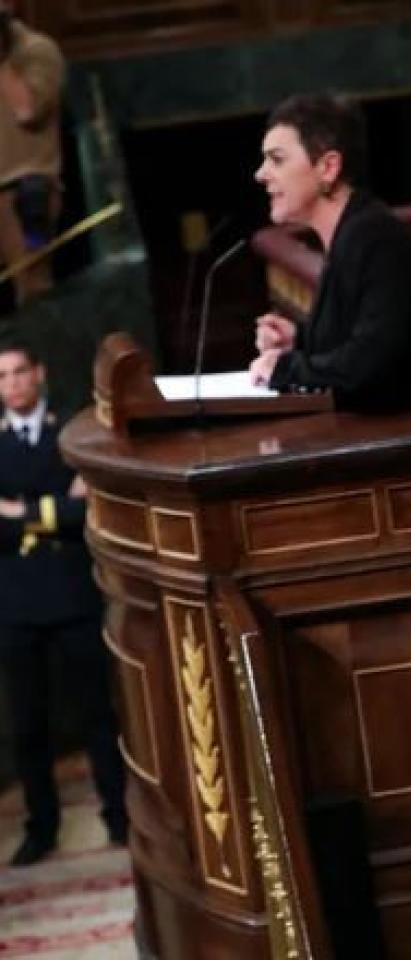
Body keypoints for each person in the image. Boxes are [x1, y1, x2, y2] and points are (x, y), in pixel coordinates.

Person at [248, 93, 411, 412]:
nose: (261, 174)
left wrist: (286, 369)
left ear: (328, 167)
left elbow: (370, 360)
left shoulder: (374, 235)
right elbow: (361, 335)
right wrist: (299, 340)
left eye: (277, 159)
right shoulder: (352, 231)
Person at [0, 343, 126, 867]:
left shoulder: (72, 433)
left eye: (19, 371)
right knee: (29, 725)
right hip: (15, 602)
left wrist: (18, 513)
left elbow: (89, 512)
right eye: (1, 376)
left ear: (39, 373)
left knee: (99, 713)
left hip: (73, 592)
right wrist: (57, 507)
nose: (11, 383)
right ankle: (42, 828)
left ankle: (119, 815)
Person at [0, 6, 64, 304]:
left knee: (32, 291)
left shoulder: (36, 52)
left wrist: (3, 58)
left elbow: (27, 110)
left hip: (24, 195)